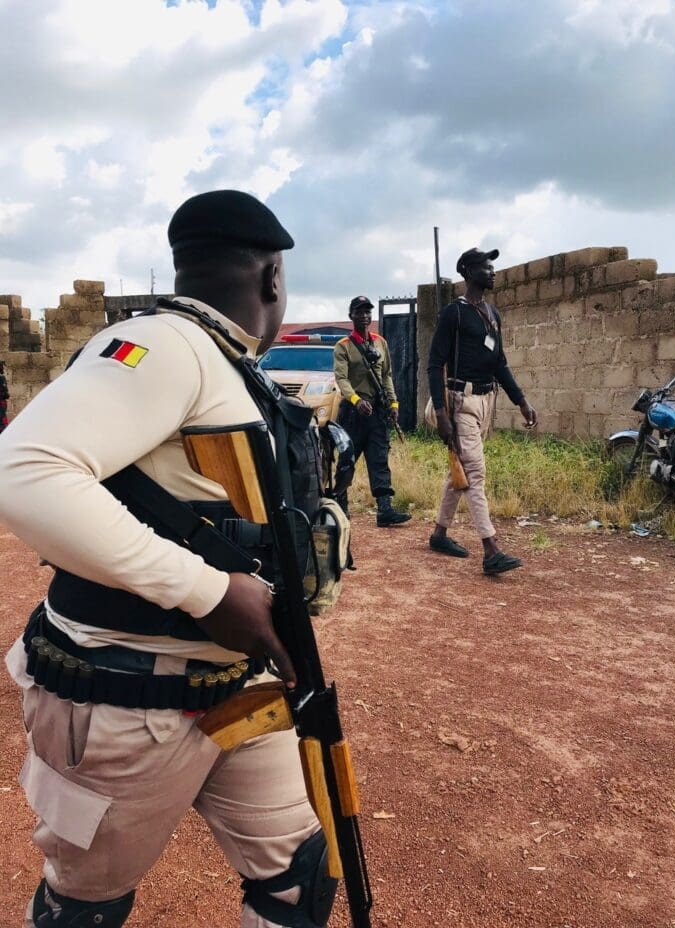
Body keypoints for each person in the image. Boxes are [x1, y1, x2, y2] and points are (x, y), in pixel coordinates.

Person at [0, 190, 339, 928]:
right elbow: (21, 471)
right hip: (124, 699)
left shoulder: (230, 364)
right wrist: (211, 592)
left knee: (298, 878)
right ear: (272, 276)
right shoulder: (166, 347)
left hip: (235, 686)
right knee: (82, 910)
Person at [427, 247, 537, 576]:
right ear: (467, 272)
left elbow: (499, 363)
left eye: (492, 266)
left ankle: (439, 534)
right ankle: (490, 550)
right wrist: (442, 414)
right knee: (475, 474)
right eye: (485, 267)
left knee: (459, 473)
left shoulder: (492, 314)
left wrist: (521, 401)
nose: (492, 272)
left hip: (486, 402)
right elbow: (435, 365)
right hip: (460, 402)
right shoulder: (454, 314)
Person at [333, 295, 411, 527]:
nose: (364, 316)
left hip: (377, 411)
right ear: (351, 316)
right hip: (353, 412)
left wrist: (393, 403)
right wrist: (356, 400)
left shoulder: (380, 342)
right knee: (347, 459)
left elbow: (386, 375)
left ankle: (385, 510)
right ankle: (340, 505)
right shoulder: (343, 346)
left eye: (368, 312)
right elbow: (342, 379)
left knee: (379, 458)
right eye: (359, 312)